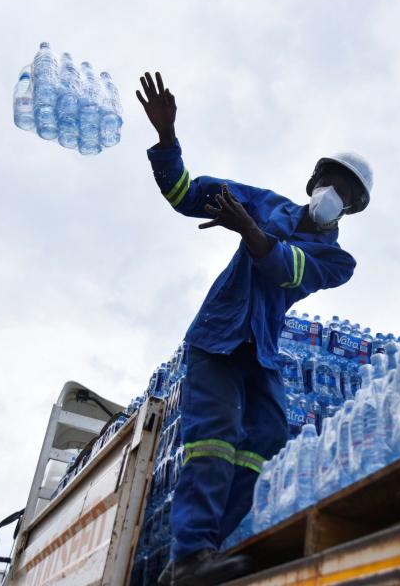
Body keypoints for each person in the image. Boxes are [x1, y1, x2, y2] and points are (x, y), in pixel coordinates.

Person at [136, 72, 373, 585]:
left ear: (352, 208)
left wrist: (249, 231)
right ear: (313, 184)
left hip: (259, 349)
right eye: (329, 182)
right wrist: (166, 139)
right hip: (218, 338)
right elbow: (184, 193)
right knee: (211, 438)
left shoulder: (338, 260)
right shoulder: (263, 203)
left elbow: (288, 269)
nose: (333, 193)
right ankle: (191, 554)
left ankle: (204, 553)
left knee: (266, 438)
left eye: (346, 192)